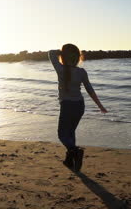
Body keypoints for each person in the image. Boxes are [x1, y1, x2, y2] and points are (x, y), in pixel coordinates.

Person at [48, 44, 107, 172]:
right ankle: (71, 161)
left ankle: (75, 151)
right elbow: (90, 90)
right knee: (70, 132)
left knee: (62, 135)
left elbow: (51, 53)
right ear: (77, 58)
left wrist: (60, 52)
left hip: (67, 106)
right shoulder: (81, 72)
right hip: (80, 105)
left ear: (64, 57)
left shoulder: (61, 69)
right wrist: (100, 105)